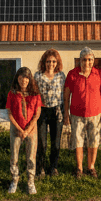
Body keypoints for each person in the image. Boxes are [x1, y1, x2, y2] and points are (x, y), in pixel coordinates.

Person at [63, 48, 101, 178]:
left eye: (89, 60)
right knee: (78, 142)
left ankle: (91, 167)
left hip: (95, 114)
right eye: (84, 60)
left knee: (93, 141)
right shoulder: (72, 74)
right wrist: (66, 114)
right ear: (79, 61)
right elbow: (66, 96)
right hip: (76, 114)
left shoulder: (99, 74)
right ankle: (79, 168)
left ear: (93, 61)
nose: (87, 62)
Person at [7, 67, 42, 194]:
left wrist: (27, 130)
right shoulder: (12, 93)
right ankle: (14, 180)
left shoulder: (35, 94)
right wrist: (19, 129)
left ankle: (30, 181)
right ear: (18, 78)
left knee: (31, 157)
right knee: (14, 156)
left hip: (31, 129)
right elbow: (9, 113)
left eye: (26, 78)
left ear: (30, 79)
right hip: (16, 129)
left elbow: (37, 114)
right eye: (21, 77)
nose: (24, 80)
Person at [34, 49, 66, 178]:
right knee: (42, 142)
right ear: (44, 62)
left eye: (53, 61)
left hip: (57, 111)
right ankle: (40, 168)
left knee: (56, 142)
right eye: (48, 61)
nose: (51, 64)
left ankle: (53, 167)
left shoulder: (61, 75)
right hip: (42, 111)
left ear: (57, 62)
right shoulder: (37, 75)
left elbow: (65, 93)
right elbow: (34, 93)